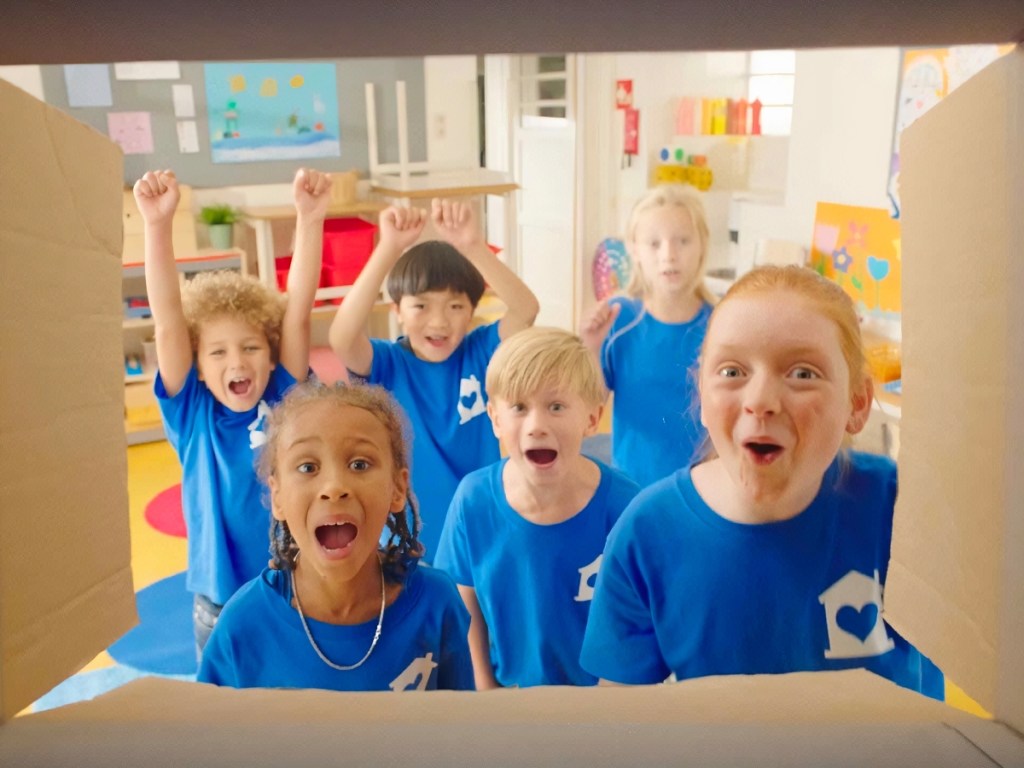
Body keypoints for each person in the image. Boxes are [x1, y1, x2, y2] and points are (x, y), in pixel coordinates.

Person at [580, 265, 944, 699]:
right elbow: (620, 718)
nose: (760, 402)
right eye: (733, 372)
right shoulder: (647, 535)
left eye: (803, 373)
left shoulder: (901, 508)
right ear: (700, 395)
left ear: (858, 402)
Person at [134, 167, 331, 655]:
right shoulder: (192, 412)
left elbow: (299, 310)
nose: (237, 362)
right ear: (197, 365)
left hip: (293, 592)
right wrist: (158, 225)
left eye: (250, 348)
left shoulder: (285, 395)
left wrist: (309, 218)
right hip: (219, 603)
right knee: (224, 722)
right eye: (217, 352)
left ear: (271, 351)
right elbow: (167, 324)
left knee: (301, 707)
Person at [197, 381, 475, 691]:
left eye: (359, 464)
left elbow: (459, 727)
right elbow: (210, 736)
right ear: (277, 497)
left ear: (398, 488)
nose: (333, 486)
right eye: (307, 467)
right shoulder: (242, 627)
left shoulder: (436, 604)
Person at [329, 198, 539, 559]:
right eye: (421, 306)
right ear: (396, 310)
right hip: (403, 544)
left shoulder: (481, 352)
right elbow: (342, 337)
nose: (439, 322)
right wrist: (388, 248)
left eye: (455, 307)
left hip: (477, 533)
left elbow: (526, 309)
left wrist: (472, 245)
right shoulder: (386, 363)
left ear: (473, 310)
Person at [433, 327, 640, 689]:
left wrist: (611, 703)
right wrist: (485, 689)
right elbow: (463, 609)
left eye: (556, 407)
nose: (537, 426)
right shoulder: (473, 501)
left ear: (592, 418)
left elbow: (637, 621)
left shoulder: (626, 507)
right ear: (496, 419)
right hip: (508, 699)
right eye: (519, 408)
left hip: (601, 701)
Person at [580, 184, 716, 488]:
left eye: (682, 241)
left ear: (702, 245)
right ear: (634, 249)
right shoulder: (618, 319)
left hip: (703, 490)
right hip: (633, 487)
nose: (669, 255)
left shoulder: (721, 324)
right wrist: (590, 347)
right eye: (655, 243)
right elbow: (590, 406)